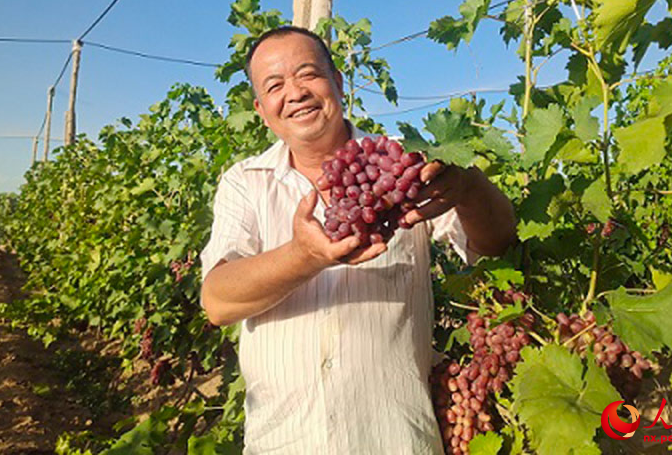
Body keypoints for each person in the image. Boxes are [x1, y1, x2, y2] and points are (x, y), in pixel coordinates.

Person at [199, 26, 516, 454]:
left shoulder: (405, 165)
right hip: (284, 442)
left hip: (396, 440)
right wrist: (304, 256)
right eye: (275, 85)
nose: (294, 93)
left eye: (308, 74)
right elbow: (218, 302)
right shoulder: (244, 183)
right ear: (261, 108)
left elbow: (495, 246)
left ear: (338, 83)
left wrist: (470, 188)